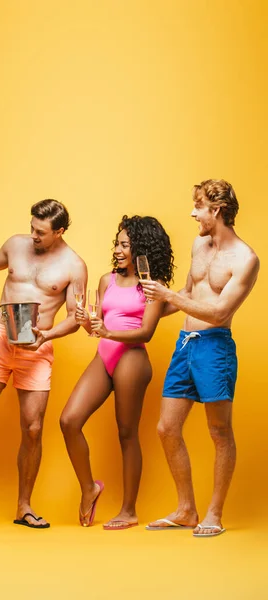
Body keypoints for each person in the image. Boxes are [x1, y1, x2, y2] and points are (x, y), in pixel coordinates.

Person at [141, 179, 260, 537]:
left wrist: (170, 298)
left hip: (215, 347)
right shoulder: (199, 244)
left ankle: (214, 513)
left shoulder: (246, 259)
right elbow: (188, 292)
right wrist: (147, 309)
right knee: (166, 428)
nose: (193, 213)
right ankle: (186, 509)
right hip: (185, 344)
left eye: (199, 207)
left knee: (219, 431)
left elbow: (219, 312)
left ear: (217, 210)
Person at [0, 199, 87, 530]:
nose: (33, 235)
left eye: (41, 232)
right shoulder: (15, 245)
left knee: (32, 428)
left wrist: (46, 336)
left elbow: (75, 319)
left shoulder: (75, 265)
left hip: (37, 346)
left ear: (59, 232)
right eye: (32, 228)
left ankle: (24, 506)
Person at [60, 215, 175, 529]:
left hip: (132, 359)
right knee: (69, 420)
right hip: (106, 355)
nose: (119, 248)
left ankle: (129, 510)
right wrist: (86, 320)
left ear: (141, 247)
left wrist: (107, 333)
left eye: (125, 243)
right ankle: (89, 488)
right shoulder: (105, 280)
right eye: (118, 242)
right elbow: (96, 328)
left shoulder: (153, 286)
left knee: (126, 433)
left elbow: (146, 332)